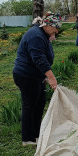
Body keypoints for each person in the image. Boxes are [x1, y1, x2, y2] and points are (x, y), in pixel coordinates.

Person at [13, 12, 61, 146]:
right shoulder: (35, 36)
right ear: (47, 25)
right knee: (30, 105)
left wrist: (44, 76)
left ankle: (36, 134)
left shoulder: (43, 35)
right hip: (26, 75)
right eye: (55, 28)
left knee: (39, 103)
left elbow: (44, 57)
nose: (56, 31)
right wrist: (51, 77)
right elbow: (39, 59)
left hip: (35, 75)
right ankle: (27, 138)